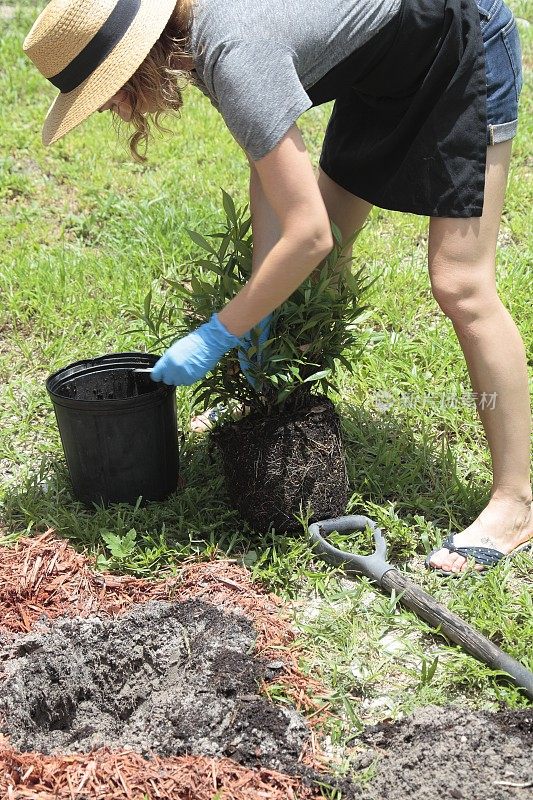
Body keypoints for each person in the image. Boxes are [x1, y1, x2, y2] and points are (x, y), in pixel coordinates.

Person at [24, 0, 532, 575]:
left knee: (459, 283)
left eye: (106, 91)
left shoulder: (231, 48)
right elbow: (271, 175)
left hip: (459, 37)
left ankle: (516, 503)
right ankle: (280, 399)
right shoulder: (202, 37)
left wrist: (222, 331)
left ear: (133, 59)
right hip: (384, 61)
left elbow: (308, 233)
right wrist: (261, 301)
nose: (113, 107)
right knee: (308, 273)